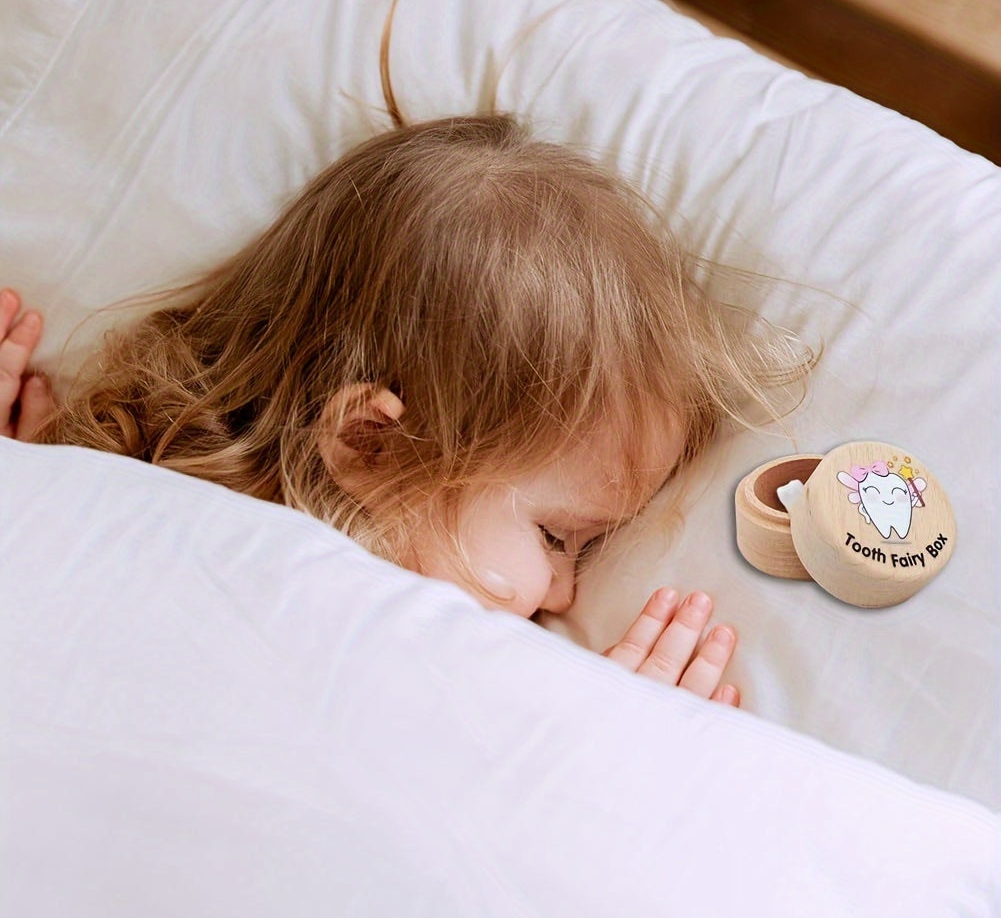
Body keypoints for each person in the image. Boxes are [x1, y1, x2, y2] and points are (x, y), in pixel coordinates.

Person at [0, 114, 811, 707]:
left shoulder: (449, 665)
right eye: (556, 537)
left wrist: (591, 735)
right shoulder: (125, 507)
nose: (564, 595)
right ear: (370, 444)